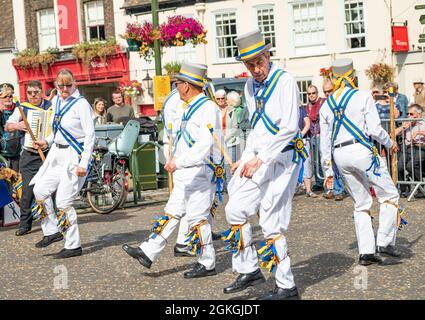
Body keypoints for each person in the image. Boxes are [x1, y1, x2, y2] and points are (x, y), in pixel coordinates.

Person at [223, 30, 304, 300]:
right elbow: (256, 130)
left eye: (259, 62)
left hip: (284, 160)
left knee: (270, 222)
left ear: (268, 55)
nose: (256, 69)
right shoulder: (248, 87)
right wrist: (245, 159)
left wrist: (261, 158)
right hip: (259, 159)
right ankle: (249, 268)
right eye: (250, 65)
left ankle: (286, 286)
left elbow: (290, 128)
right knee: (235, 209)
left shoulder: (285, 81)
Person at [122, 62, 220, 278]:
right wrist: (173, 157)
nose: (176, 87)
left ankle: (207, 262)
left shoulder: (207, 108)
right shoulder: (186, 107)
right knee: (172, 211)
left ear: (187, 85)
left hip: (202, 170)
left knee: (197, 219)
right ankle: (148, 251)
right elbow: (180, 139)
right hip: (186, 169)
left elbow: (204, 144)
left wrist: (179, 161)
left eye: (178, 83)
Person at [320, 58, 401, 266]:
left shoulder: (326, 105)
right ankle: (383, 242)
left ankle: (366, 252)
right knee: (389, 194)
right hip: (362, 152)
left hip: (340, 156)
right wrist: (390, 142)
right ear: (353, 77)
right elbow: (374, 129)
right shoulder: (363, 96)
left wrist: (328, 171)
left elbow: (325, 141)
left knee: (361, 203)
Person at [30, 69, 95, 259]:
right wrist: (47, 142)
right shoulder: (56, 100)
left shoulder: (81, 104)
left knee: (64, 202)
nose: (64, 89)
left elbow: (90, 136)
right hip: (56, 154)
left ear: (75, 83)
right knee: (40, 190)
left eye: (68, 85)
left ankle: (73, 245)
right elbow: (57, 128)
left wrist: (84, 162)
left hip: (74, 157)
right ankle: (51, 231)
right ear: (56, 85)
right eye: (61, 85)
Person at [5, 80, 52, 236]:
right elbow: (8, 125)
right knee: (27, 191)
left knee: (52, 190)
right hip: (29, 155)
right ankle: (25, 224)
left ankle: (55, 221)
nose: (33, 95)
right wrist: (18, 126)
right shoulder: (22, 108)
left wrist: (47, 141)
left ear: (41, 91)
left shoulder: (51, 106)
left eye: (36, 92)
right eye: (30, 92)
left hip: (48, 153)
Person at [160, 82, 195, 258]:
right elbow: (174, 131)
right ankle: (184, 241)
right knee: (185, 203)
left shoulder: (177, 98)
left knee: (190, 203)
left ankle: (188, 239)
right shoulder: (176, 100)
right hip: (182, 154)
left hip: (183, 154)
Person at [322, 80, 346, 201]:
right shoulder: (324, 106)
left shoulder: (340, 103)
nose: (327, 94)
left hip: (341, 139)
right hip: (329, 140)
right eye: (325, 92)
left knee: (339, 165)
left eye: (329, 91)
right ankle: (332, 188)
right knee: (329, 164)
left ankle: (339, 189)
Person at [395, 104, 425, 197]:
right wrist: (403, 127)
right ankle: (403, 190)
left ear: (419, 114)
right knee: (399, 167)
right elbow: (393, 134)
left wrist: (418, 132)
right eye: (408, 114)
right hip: (407, 148)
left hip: (420, 147)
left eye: (411, 114)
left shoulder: (423, 123)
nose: (409, 116)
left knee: (411, 166)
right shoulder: (406, 123)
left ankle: (421, 189)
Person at [306, 85, 326, 193]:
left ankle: (328, 181)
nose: (311, 95)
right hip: (312, 136)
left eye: (313, 93)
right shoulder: (307, 106)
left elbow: (315, 117)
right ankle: (319, 183)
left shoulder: (324, 102)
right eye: (309, 94)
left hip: (322, 135)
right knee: (315, 160)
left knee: (324, 159)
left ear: (317, 93)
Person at [0, 83, 21, 172]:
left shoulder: (19, 109)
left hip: (16, 154)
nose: (8, 98)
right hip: (1, 155)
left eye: (10, 96)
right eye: (5, 97)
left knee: (17, 182)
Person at [298, 104, 316, 197]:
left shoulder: (301, 109)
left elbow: (307, 124)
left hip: (302, 141)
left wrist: (299, 136)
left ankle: (308, 190)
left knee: (306, 163)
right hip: (288, 142)